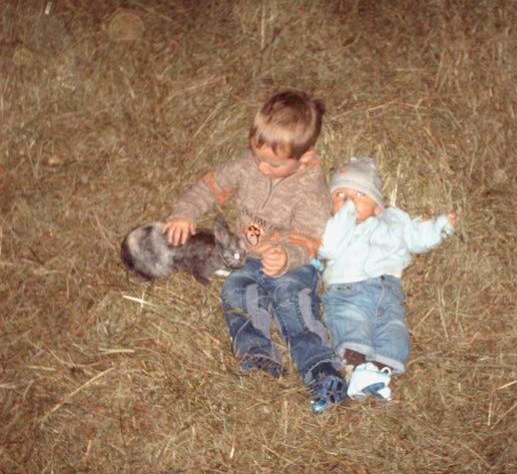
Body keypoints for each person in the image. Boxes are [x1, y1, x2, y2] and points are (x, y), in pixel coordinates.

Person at [163, 90, 346, 413]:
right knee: (235, 290)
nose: (260, 167)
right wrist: (186, 212)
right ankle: (257, 356)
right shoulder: (250, 165)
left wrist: (288, 255)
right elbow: (211, 185)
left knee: (292, 299)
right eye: (256, 156)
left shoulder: (311, 189)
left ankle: (321, 369)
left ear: (303, 158)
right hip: (247, 256)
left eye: (272, 164)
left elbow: (308, 238)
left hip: (294, 263)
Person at [318, 157, 457, 401]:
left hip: (388, 291)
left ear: (377, 206)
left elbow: (417, 237)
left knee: (394, 331)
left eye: (359, 194)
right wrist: (345, 213)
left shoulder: (394, 219)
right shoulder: (335, 226)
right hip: (348, 290)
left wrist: (441, 226)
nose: (348, 200)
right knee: (351, 324)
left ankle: (379, 372)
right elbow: (327, 248)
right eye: (340, 195)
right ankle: (355, 365)